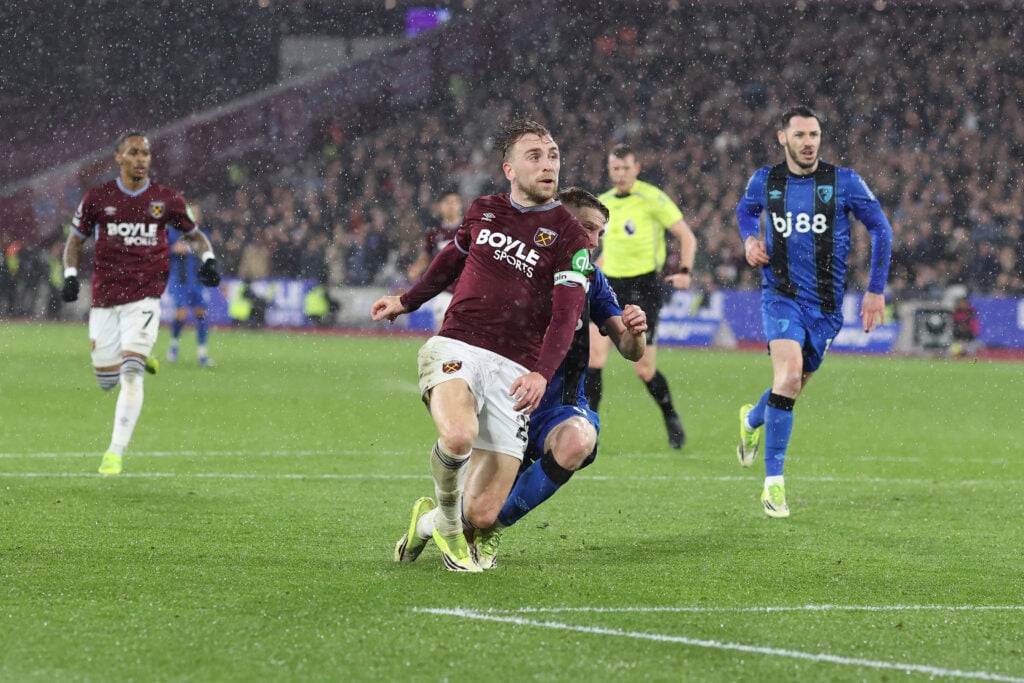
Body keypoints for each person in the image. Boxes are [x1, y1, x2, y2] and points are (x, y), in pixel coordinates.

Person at [371, 118, 592, 572]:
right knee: (457, 434)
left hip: (514, 368)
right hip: (459, 344)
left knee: (485, 514)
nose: (548, 164)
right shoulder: (484, 209)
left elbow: (568, 315)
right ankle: (450, 528)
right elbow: (452, 258)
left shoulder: (570, 236)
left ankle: (431, 522)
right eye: (535, 156)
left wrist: (541, 373)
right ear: (508, 168)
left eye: (553, 156)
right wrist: (407, 301)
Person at [466, 187, 648, 568]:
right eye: (587, 228)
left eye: (600, 233)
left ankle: (494, 529)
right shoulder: (511, 266)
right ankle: (442, 522)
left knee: (579, 439)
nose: (594, 241)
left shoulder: (590, 280)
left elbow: (629, 350)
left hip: (556, 411)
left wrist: (636, 331)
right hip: (503, 403)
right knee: (467, 516)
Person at [735, 105, 892, 518]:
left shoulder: (844, 182)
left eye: (815, 135)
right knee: (786, 378)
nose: (809, 143)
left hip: (825, 308)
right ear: (782, 137)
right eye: (800, 135)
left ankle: (751, 421)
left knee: (792, 388)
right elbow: (745, 211)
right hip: (780, 294)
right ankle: (774, 486)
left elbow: (881, 229)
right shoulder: (765, 181)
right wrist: (750, 240)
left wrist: (876, 291)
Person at [62, 131, 221, 475]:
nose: (141, 159)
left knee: (131, 374)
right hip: (105, 298)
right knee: (107, 381)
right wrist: (71, 274)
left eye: (146, 153)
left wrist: (208, 259)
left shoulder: (167, 199)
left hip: (146, 297)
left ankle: (114, 453)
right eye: (134, 152)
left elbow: (195, 236)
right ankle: (135, 353)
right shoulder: (97, 198)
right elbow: (74, 241)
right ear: (118, 157)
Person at [588, 143, 697, 450]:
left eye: (625, 168)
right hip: (609, 286)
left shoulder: (652, 198)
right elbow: (608, 250)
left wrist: (686, 271)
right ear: (609, 171)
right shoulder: (603, 203)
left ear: (636, 169)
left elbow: (686, 235)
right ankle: (588, 428)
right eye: (615, 169)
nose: (620, 174)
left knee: (643, 368)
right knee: (595, 357)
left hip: (644, 288)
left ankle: (670, 415)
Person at [405, 190, 463, 330]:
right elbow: (426, 256)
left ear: (460, 206)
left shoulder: (469, 228)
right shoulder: (434, 233)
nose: (451, 206)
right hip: (444, 289)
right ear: (440, 206)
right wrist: (416, 269)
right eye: (447, 202)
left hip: (466, 288)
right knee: (443, 330)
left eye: (454, 202)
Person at [166, 221, 215, 366]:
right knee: (181, 314)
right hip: (180, 282)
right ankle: (174, 345)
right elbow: (160, 252)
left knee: (201, 314)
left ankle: (202, 354)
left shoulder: (201, 235)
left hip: (198, 282)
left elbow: (208, 255)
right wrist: (173, 250)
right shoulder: (173, 233)